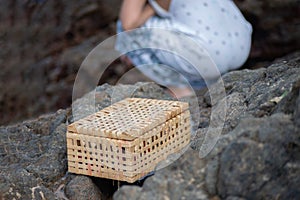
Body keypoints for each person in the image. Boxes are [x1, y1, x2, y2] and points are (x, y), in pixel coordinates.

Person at [115, 0, 252, 97]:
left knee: (126, 31)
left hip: (212, 57)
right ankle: (210, 79)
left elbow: (128, 25)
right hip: (242, 46)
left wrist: (152, 7)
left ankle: (180, 87)